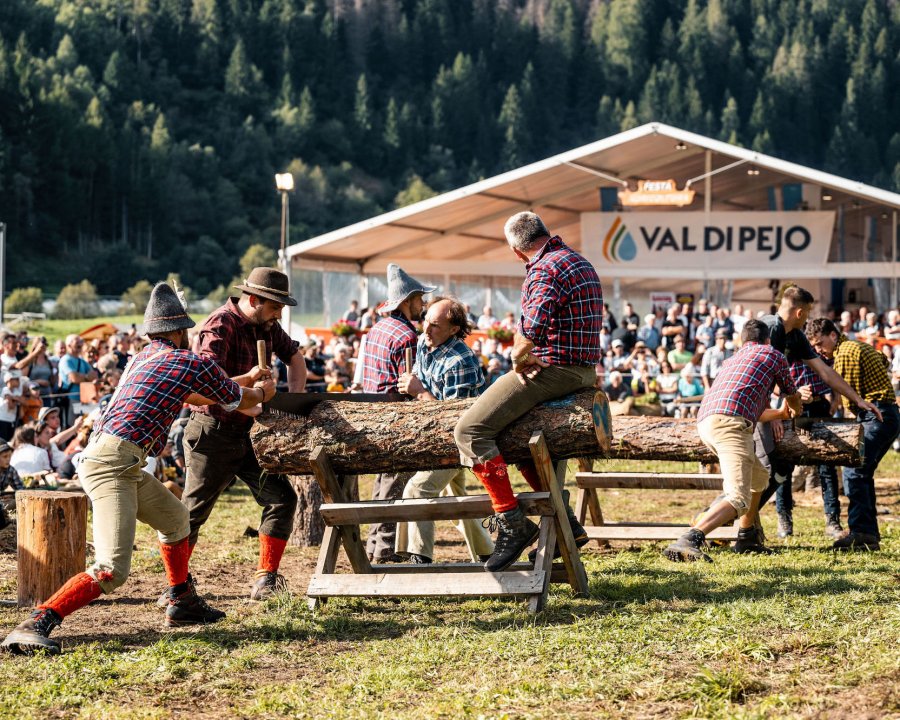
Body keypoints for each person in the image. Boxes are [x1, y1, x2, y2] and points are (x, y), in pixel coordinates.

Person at [0, 283, 275, 655]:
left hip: (115, 459)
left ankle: (181, 600)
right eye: (186, 332)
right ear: (180, 332)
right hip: (112, 464)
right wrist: (262, 390)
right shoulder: (189, 363)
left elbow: (195, 393)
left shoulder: (143, 358)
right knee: (112, 568)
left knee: (177, 519)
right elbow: (238, 399)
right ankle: (38, 620)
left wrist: (245, 382)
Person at [454, 211, 601, 572]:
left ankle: (512, 522)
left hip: (554, 371)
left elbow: (526, 339)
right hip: (582, 372)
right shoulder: (578, 261)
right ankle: (567, 518)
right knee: (516, 437)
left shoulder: (544, 269)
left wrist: (520, 359)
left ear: (517, 250)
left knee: (469, 431)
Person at [180, 267, 306, 601]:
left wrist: (292, 404)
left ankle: (267, 578)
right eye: (275, 306)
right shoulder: (218, 327)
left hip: (248, 436)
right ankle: (176, 588)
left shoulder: (267, 325)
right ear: (253, 299)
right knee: (191, 515)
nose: (279, 314)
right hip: (212, 433)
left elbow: (295, 359)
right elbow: (204, 385)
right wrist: (249, 392)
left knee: (282, 499)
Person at [663, 319, 802, 562]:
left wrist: (779, 414)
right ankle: (691, 538)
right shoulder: (772, 353)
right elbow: (791, 395)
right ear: (767, 340)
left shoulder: (732, 360)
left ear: (742, 341)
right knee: (738, 497)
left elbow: (749, 409)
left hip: (707, 422)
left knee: (759, 478)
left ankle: (746, 536)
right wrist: (794, 408)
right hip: (730, 426)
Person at [750, 286, 885, 534]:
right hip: (757, 409)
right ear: (800, 311)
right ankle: (731, 523)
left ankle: (743, 526)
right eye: (808, 312)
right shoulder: (771, 327)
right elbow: (756, 371)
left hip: (778, 408)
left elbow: (825, 372)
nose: (808, 317)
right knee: (765, 469)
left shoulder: (795, 336)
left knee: (778, 469)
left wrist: (857, 399)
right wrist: (771, 412)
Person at [394, 297, 494, 564]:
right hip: (435, 440)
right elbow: (418, 380)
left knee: (417, 491)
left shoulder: (461, 361)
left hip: (458, 442)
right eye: (425, 321)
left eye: (435, 325)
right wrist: (411, 385)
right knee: (458, 500)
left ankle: (419, 559)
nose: (426, 329)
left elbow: (453, 422)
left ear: (453, 329)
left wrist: (420, 392)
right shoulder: (424, 343)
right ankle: (488, 553)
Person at [360, 263, 435, 562]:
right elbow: (409, 384)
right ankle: (384, 551)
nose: (423, 305)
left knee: (383, 485)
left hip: (372, 415)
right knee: (393, 486)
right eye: (419, 299)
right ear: (407, 302)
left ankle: (372, 546)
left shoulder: (376, 329)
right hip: (396, 418)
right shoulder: (407, 337)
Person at [805, 318, 900, 551]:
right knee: (862, 472)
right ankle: (866, 531)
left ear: (833, 335)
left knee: (854, 469)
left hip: (876, 414)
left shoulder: (846, 352)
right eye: (814, 347)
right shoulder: (858, 345)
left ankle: (862, 532)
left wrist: (840, 414)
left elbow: (848, 393)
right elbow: (883, 359)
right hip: (886, 413)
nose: (818, 350)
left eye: (819, 344)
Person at [57, 335, 98, 427]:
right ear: (69, 344)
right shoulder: (65, 360)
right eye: (77, 341)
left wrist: (81, 377)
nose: (80, 344)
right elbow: (74, 378)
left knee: (86, 426)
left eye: (81, 341)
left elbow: (94, 376)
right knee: (71, 426)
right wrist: (87, 377)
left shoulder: (82, 361)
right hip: (71, 400)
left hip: (84, 400)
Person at [0, 441, 22, 530]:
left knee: (15, 503)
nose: (8, 459)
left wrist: (14, 495)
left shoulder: (11, 470)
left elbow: (21, 489)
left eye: (9, 456)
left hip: (3, 502)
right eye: (5, 457)